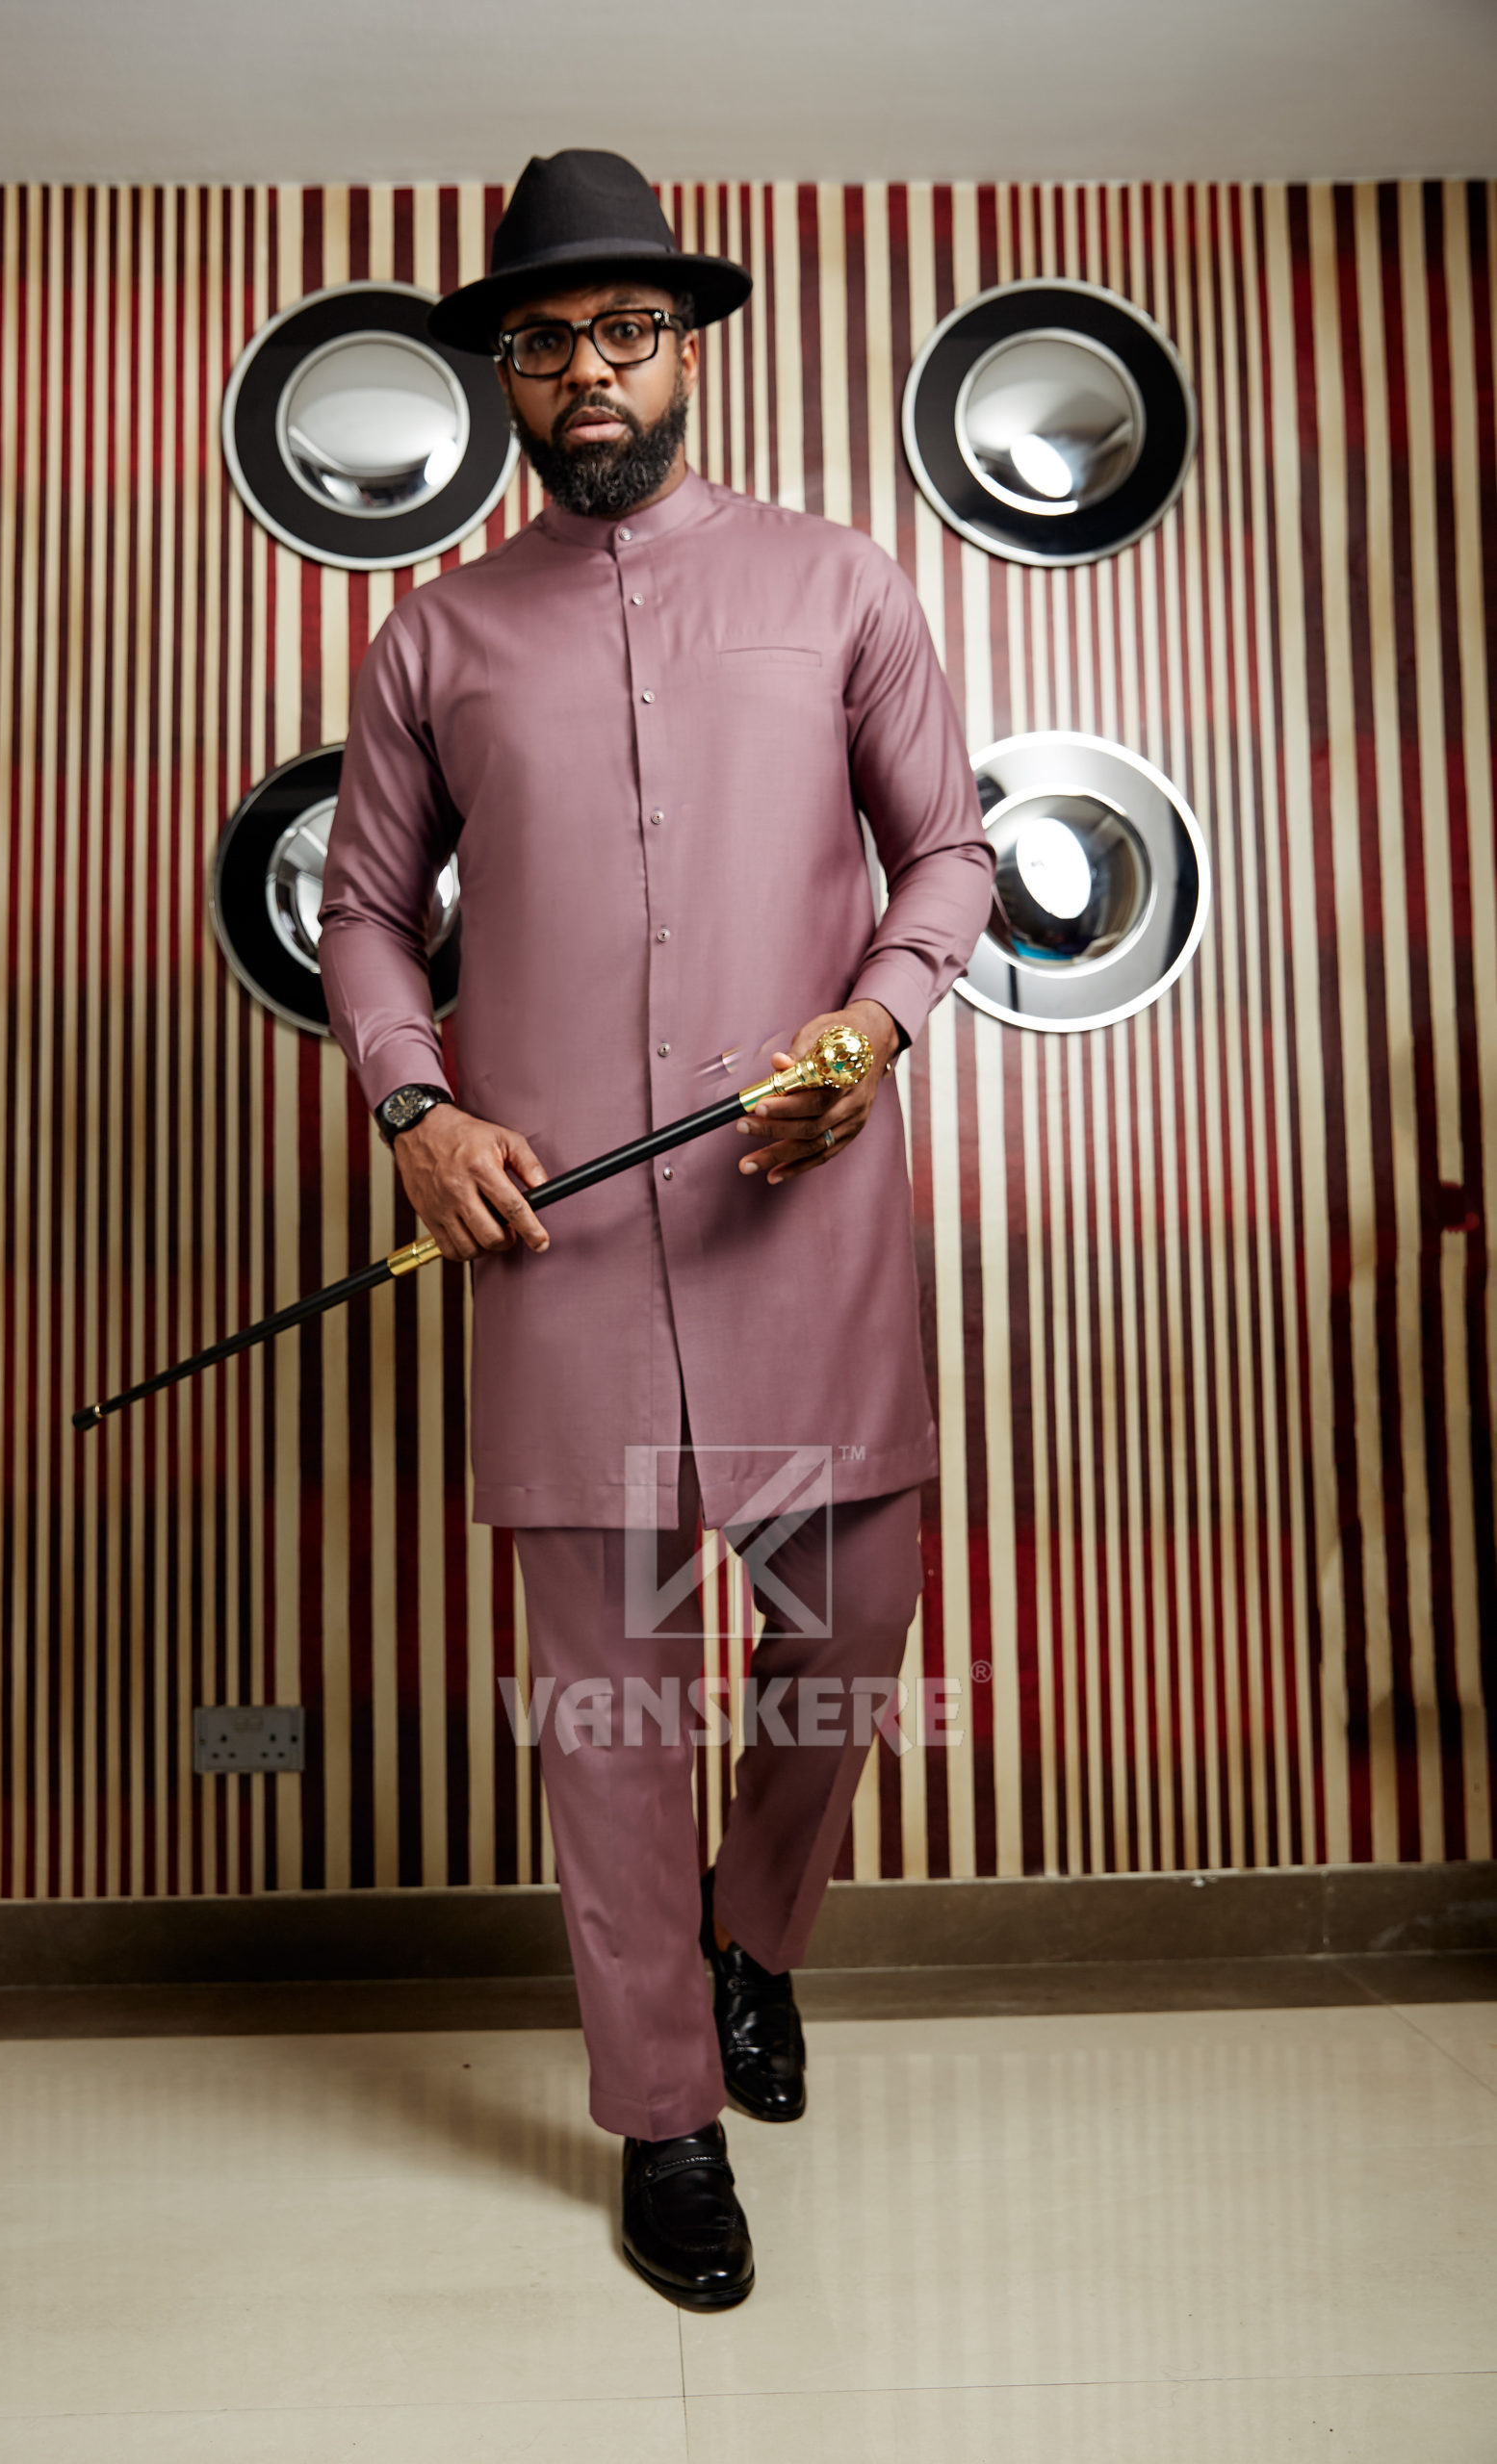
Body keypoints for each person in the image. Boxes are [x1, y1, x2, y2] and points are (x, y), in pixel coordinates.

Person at [318, 147, 994, 2309]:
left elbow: (949, 855)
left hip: (804, 1223)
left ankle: (749, 1940)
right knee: (610, 1713)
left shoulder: (841, 583)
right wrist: (414, 1104)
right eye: (543, 340)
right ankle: (662, 2116)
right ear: (504, 379)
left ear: (685, 350)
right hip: (562, 1253)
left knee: (843, 1634)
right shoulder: (433, 636)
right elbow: (364, 913)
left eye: (624, 330)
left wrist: (874, 1029)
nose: (586, 369)